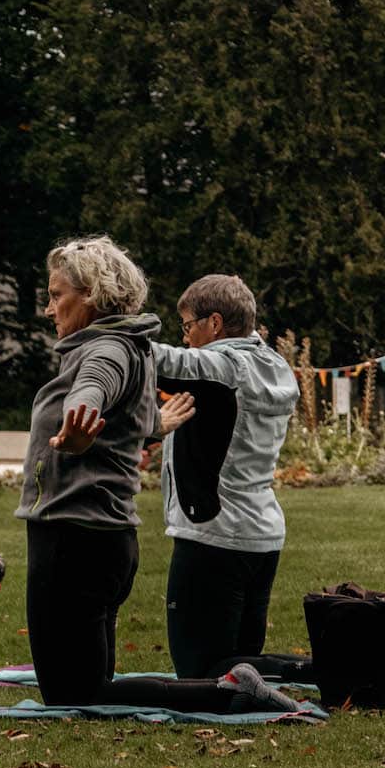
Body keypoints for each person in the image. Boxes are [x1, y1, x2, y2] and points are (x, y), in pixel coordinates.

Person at [16, 237, 300, 713]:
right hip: (242, 531)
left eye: (57, 294)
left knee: (92, 691)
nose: (49, 309)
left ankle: (234, 690)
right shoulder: (276, 368)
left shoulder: (129, 352)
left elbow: (103, 381)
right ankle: (286, 676)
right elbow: (132, 386)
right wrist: (152, 423)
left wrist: (82, 414)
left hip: (170, 533)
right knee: (113, 676)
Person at [153, 275, 300, 677]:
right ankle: (324, 669)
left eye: (187, 326)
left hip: (213, 537)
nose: (185, 338)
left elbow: (154, 359)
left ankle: (322, 670)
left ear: (214, 323)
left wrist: (107, 325)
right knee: (239, 671)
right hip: (262, 536)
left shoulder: (222, 367)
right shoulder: (276, 366)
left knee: (199, 671)